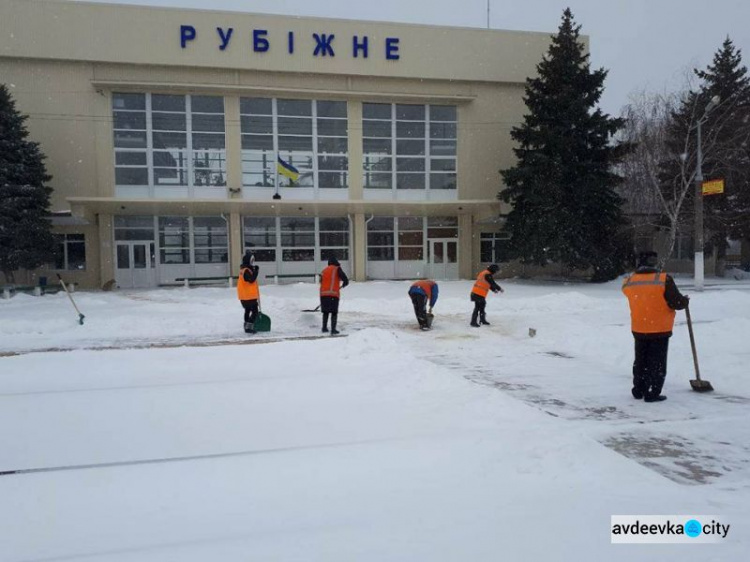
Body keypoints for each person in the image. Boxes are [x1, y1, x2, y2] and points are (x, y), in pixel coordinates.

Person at [622, 251, 689, 402]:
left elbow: (630, 293)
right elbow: (676, 302)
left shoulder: (629, 280)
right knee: (656, 362)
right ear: (654, 262)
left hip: (639, 327)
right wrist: (684, 301)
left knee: (641, 360)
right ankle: (652, 391)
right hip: (659, 328)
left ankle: (639, 389)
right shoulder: (663, 279)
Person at [320, 257, 349, 335]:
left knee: (325, 312)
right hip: (333, 294)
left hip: (323, 294)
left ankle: (324, 328)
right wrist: (345, 283)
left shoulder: (324, 270)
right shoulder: (337, 269)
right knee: (334, 312)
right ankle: (333, 329)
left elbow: (321, 281)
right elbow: (345, 278)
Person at [236, 251, 260, 334]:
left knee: (247, 310)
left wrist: (253, 270)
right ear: (248, 261)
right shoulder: (246, 271)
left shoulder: (243, 270)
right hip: (249, 296)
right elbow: (251, 279)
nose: (253, 262)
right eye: (252, 261)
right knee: (255, 312)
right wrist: (256, 271)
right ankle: (248, 328)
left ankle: (246, 326)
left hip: (244, 296)